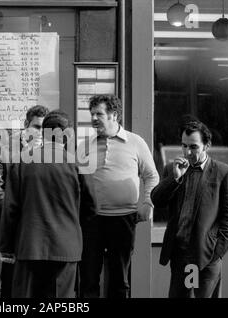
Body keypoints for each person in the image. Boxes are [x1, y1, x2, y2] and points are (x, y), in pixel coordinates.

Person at [0, 110, 97, 298]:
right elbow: (91, 206)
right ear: (66, 135)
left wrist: (6, 247)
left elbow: (10, 209)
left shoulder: (22, 161)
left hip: (29, 247)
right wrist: (74, 230)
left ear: (44, 133)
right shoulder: (79, 163)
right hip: (66, 247)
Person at [79, 94, 159, 298]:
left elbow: (152, 175)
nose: (94, 118)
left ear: (114, 115)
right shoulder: (84, 146)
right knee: (88, 278)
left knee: (120, 280)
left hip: (123, 220)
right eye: (92, 114)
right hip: (91, 222)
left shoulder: (135, 142)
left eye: (99, 114)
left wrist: (148, 202)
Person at [151, 119, 228, 298]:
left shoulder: (225, 173)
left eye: (193, 147)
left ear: (207, 145)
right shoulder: (174, 169)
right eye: (184, 146)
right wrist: (175, 179)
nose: (187, 152)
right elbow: (157, 200)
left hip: (206, 256)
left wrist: (215, 253)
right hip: (179, 255)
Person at [0, 105, 49, 298]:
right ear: (25, 125)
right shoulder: (4, 149)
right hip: (12, 225)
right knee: (10, 279)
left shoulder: (51, 151)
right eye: (37, 126)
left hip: (41, 226)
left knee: (37, 280)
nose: (41, 132)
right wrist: (15, 212)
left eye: (45, 128)